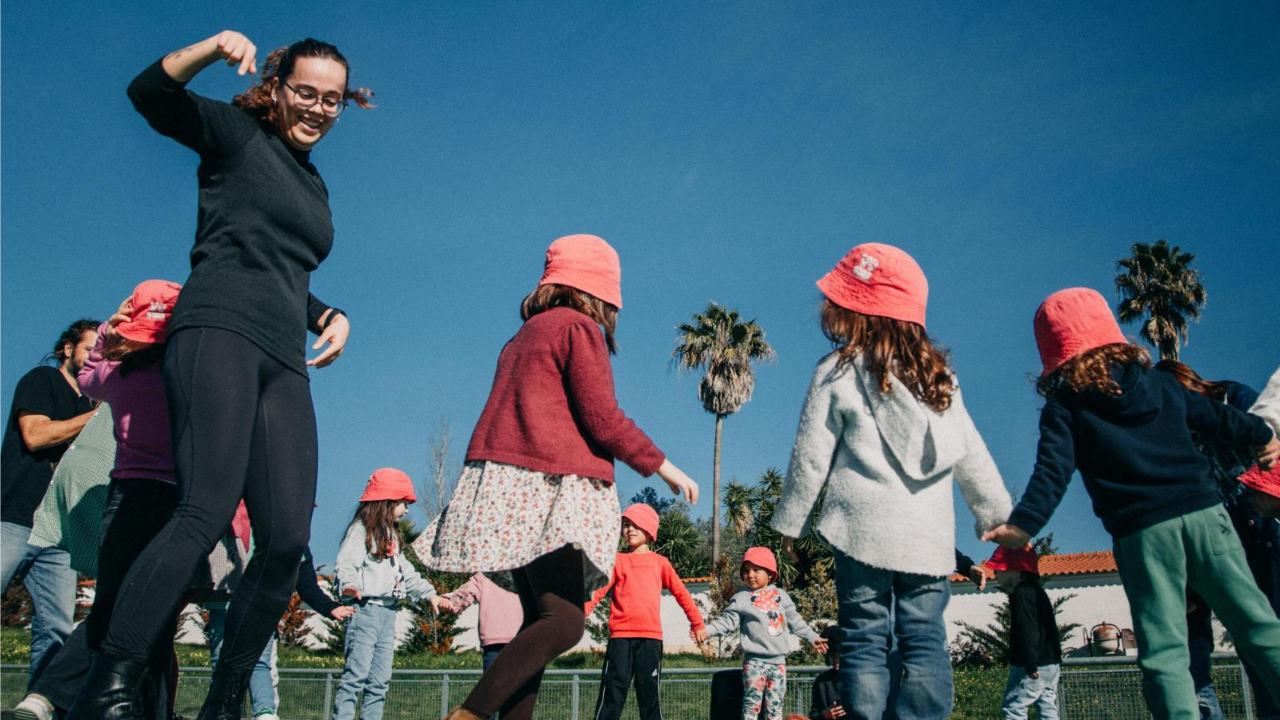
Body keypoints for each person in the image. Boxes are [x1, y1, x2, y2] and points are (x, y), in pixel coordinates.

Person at [71, 29, 368, 719]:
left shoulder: (314, 181)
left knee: (288, 539)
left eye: (332, 100)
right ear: (276, 87)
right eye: (305, 92)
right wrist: (209, 47)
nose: (318, 109)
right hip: (216, 330)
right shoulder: (237, 134)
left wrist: (328, 313)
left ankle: (226, 697)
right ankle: (108, 682)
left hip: (281, 355)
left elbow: (276, 260)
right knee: (203, 509)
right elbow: (149, 94)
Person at [415, 233, 699, 720]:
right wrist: (664, 467)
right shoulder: (577, 330)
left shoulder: (523, 336)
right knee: (565, 624)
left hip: (504, 487)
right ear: (600, 293)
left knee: (539, 622)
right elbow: (603, 417)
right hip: (547, 491)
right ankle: (467, 716)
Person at [983, 287, 1280, 719]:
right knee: (1257, 624)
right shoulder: (1162, 385)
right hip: (1207, 517)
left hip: (1143, 535)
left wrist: (1022, 527)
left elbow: (1052, 473)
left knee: (1165, 649)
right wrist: (1264, 436)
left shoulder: (1065, 409)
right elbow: (1218, 418)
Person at [770, 243, 1012, 720]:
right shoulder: (940, 379)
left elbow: (810, 458)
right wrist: (996, 515)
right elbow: (971, 452)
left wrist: (789, 524)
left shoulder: (836, 371)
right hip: (927, 539)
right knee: (925, 638)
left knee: (863, 641)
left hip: (860, 535)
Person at [15, 284, 178, 720]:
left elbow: (90, 368)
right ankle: (58, 696)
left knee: (113, 603)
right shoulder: (185, 376)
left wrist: (112, 325)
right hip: (171, 502)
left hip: (121, 497)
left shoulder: (116, 378)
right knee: (146, 609)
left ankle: (44, 696)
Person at [1157, 359, 1279, 720]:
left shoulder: (1232, 398)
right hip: (1227, 538)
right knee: (1250, 637)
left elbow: (1269, 447)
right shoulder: (1176, 437)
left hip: (1267, 524)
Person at [2, 319, 98, 690]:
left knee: (57, 627)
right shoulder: (42, 381)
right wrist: (93, 419)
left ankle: (37, 706)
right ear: (68, 349)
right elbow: (36, 435)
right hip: (13, 518)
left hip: (58, 534)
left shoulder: (94, 401)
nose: (95, 357)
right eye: (89, 348)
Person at [332, 468, 437, 720]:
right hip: (365, 611)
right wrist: (349, 586)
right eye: (403, 503)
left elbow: (405, 572)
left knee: (380, 680)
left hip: (388, 613)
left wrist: (429, 593)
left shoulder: (392, 536)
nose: (407, 510)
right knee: (355, 676)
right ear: (387, 501)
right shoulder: (361, 531)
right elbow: (346, 564)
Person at [585, 503, 706, 720]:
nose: (629, 529)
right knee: (612, 694)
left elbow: (682, 594)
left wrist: (697, 623)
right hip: (621, 640)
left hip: (650, 641)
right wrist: (580, 614)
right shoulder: (617, 561)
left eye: (636, 525)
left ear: (649, 530)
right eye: (626, 525)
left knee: (649, 699)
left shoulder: (661, 563)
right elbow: (598, 591)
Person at [701, 547, 826, 720]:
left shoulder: (781, 596)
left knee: (775, 707)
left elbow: (796, 621)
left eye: (756, 570)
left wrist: (812, 637)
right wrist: (706, 630)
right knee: (751, 706)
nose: (750, 575)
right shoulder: (742, 598)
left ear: (770, 573)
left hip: (779, 664)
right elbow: (727, 621)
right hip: (754, 663)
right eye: (745, 571)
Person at [989, 545, 1061, 720]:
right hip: (1050, 663)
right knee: (1047, 706)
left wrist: (1030, 662)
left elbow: (1026, 628)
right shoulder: (1037, 591)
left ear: (1014, 569)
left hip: (1031, 664)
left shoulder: (1020, 594)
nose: (995, 574)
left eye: (998, 569)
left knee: (1014, 707)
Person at [431, 573, 522, 673]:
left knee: (494, 685)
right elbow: (466, 592)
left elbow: (465, 593)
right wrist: (449, 601)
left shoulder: (485, 576)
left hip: (496, 641)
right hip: (521, 638)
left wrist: (450, 602)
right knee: (522, 684)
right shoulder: (526, 573)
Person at [808, 626, 846, 720]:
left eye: (839, 656)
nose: (836, 661)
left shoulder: (861, 679)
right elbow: (813, 716)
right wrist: (825, 715)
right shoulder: (821, 682)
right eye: (832, 656)